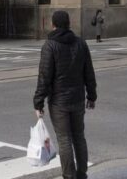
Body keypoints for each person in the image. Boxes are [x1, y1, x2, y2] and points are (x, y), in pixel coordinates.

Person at [33, 10, 97, 179]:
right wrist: (91, 95)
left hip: (59, 102)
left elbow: (45, 76)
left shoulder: (50, 45)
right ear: (69, 24)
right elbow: (88, 72)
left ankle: (69, 175)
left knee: (64, 139)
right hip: (77, 98)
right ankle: (82, 173)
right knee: (79, 137)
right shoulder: (81, 43)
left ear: (53, 24)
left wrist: (38, 102)